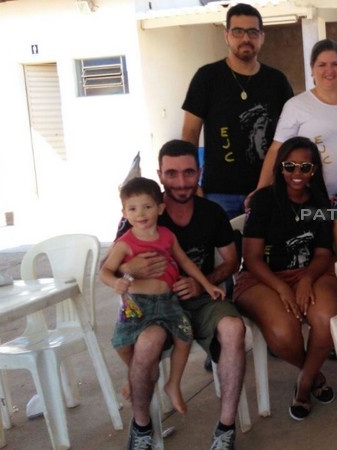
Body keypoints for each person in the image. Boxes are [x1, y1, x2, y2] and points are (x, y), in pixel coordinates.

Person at [115, 140, 245, 450]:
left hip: (201, 299)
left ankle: (226, 428)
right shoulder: (143, 210)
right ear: (160, 174)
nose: (181, 182)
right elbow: (113, 268)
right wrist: (129, 268)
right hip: (155, 304)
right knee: (147, 344)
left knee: (233, 328)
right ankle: (142, 428)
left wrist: (203, 283)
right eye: (172, 174)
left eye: (189, 172)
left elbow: (231, 261)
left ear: (199, 172)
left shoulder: (212, 212)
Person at [100, 177, 225, 418]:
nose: (140, 214)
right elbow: (105, 271)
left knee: (185, 336)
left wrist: (207, 285)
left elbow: (185, 262)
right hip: (137, 304)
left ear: (160, 208)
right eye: (132, 209)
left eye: (147, 207)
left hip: (168, 301)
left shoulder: (167, 236)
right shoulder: (124, 244)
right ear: (124, 213)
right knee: (122, 343)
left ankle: (173, 384)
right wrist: (116, 282)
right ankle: (136, 375)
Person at [235, 136, 337, 421]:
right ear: (280, 167)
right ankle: (315, 375)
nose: (297, 173)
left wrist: (306, 280)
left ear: (314, 170)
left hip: (312, 271)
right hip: (263, 276)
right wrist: (282, 287)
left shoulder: (321, 203)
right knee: (283, 332)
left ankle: (304, 383)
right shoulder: (264, 200)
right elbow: (252, 258)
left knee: (327, 318)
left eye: (305, 167)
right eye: (289, 166)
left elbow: (323, 252)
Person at [182, 3, 293, 219]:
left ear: (262, 37)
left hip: (267, 190)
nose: (246, 38)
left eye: (252, 32)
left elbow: (289, 136)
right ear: (226, 36)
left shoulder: (277, 81)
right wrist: (191, 182)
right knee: (221, 243)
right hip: (218, 193)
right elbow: (190, 133)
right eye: (238, 31)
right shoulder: (207, 77)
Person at [255, 38, 337, 201]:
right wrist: (260, 191)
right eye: (322, 65)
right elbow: (276, 150)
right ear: (312, 69)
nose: (329, 70)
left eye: (335, 64)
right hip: (310, 199)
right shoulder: (296, 105)